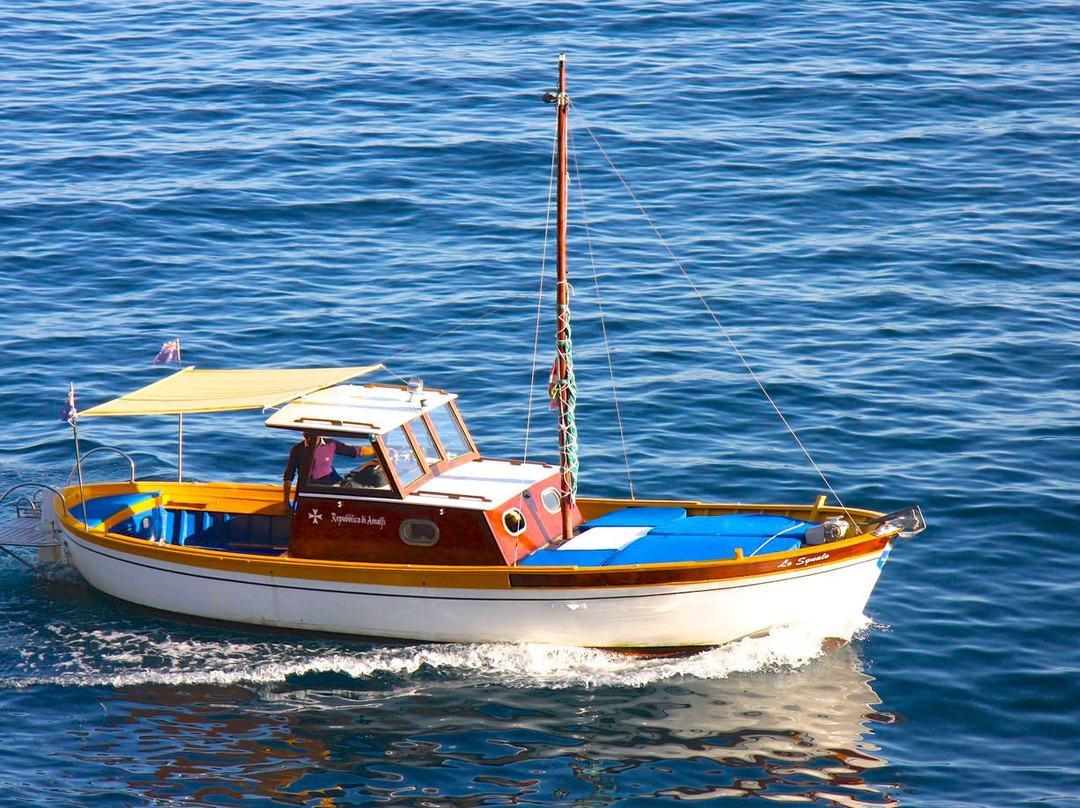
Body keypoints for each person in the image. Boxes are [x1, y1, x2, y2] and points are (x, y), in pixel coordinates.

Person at [283, 431, 372, 502]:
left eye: (311, 436)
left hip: (325, 492)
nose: (308, 439)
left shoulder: (330, 444)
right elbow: (288, 477)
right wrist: (286, 503)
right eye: (306, 436)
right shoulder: (297, 449)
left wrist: (376, 451)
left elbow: (354, 451)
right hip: (306, 494)